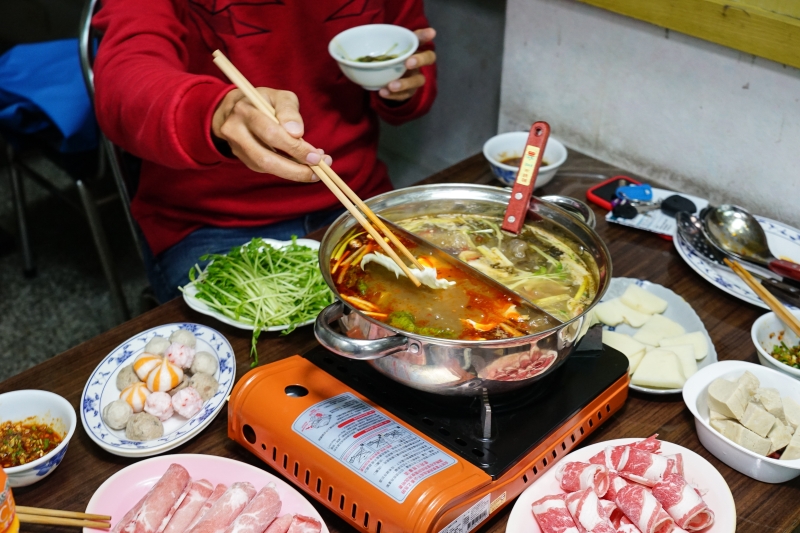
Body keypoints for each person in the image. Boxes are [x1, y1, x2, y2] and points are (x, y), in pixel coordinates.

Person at [92, 0, 437, 303]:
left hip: (356, 198)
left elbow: (415, 61)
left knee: (431, 308)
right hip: (211, 219)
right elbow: (122, 83)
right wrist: (215, 112)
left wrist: (401, 87)